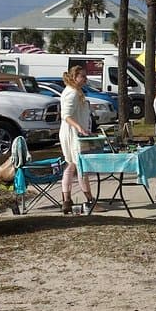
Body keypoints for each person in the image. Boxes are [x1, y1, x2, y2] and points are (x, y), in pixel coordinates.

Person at [59, 65, 95, 214]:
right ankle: (89, 201)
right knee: (80, 166)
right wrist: (79, 127)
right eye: (83, 77)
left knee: (72, 166)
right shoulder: (72, 92)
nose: (85, 79)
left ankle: (67, 201)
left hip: (76, 132)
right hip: (72, 134)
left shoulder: (76, 91)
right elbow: (65, 115)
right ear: (75, 77)